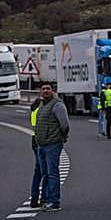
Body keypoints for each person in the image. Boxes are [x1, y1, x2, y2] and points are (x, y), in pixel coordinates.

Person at [32, 81, 69, 212]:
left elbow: (65, 125)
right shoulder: (42, 104)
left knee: (52, 173)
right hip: (41, 144)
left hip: (52, 144)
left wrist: (61, 137)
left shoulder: (57, 105)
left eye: (48, 88)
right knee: (45, 174)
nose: (46, 91)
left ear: (52, 91)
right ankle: (46, 199)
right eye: (43, 89)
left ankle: (54, 201)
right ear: (40, 91)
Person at [28, 97, 45, 208]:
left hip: (34, 139)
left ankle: (34, 198)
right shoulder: (39, 111)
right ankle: (42, 198)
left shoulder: (34, 111)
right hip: (40, 139)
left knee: (38, 171)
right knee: (44, 171)